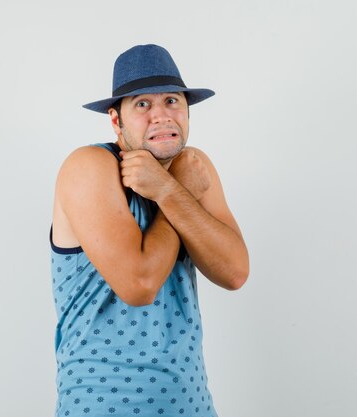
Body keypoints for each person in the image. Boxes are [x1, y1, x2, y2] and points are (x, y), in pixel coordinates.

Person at [50, 44, 249, 417]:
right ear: (115, 119)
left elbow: (235, 272)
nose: (161, 115)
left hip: (190, 402)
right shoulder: (89, 166)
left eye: (172, 101)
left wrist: (169, 190)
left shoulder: (192, 167)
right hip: (101, 404)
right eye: (142, 104)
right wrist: (179, 190)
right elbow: (139, 285)